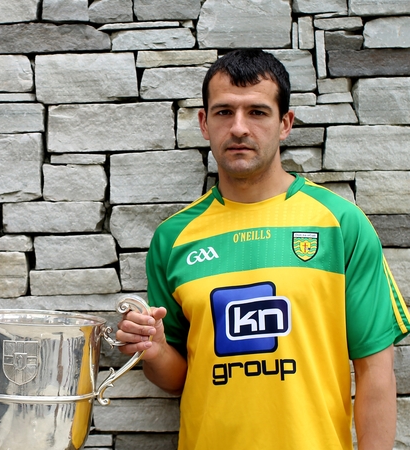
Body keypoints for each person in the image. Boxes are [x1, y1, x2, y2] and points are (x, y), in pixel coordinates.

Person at [117, 49, 409, 450]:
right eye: (223, 113)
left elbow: (376, 370)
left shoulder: (339, 222)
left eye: (257, 112)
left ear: (285, 123)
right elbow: (176, 378)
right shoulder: (173, 237)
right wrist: (154, 351)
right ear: (204, 123)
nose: (238, 128)